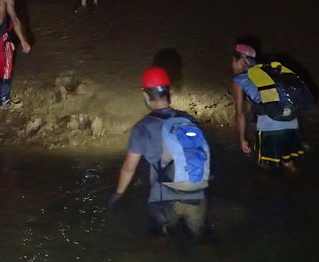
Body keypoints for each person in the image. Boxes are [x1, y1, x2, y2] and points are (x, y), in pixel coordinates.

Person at [108, 67, 209, 240]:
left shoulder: (142, 128)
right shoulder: (188, 119)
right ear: (168, 92)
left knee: (161, 244)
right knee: (196, 241)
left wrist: (118, 195)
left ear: (146, 95)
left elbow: (128, 169)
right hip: (197, 194)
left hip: (164, 200)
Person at [230, 43, 307, 173]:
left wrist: (242, 139)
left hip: (270, 126)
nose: (232, 65)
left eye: (233, 61)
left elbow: (240, 113)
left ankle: (272, 188)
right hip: (292, 122)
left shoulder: (239, 79)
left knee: (264, 166)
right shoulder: (268, 71)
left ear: (242, 61)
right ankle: (298, 181)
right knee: (289, 162)